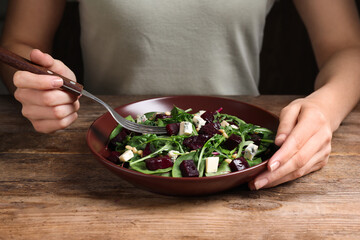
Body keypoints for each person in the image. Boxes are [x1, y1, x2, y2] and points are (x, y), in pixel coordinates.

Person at [1, 0, 360, 191]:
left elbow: (347, 47)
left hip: (242, 176)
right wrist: (38, 85)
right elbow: (19, 44)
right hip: (107, 159)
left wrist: (325, 108)